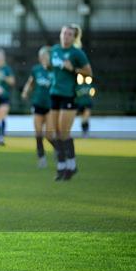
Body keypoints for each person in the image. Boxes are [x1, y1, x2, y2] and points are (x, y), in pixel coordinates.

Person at [49, 24, 92, 181]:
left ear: (74, 38)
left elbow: (89, 73)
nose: (66, 36)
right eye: (64, 33)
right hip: (54, 94)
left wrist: (73, 69)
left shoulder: (77, 53)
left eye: (69, 34)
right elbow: (51, 68)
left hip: (69, 95)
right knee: (54, 133)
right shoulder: (54, 50)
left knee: (63, 133)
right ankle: (62, 166)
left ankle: (70, 166)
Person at [21, 46, 56, 168]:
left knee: (49, 135)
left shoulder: (55, 71)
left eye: (47, 56)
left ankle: (59, 150)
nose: (44, 58)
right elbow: (30, 82)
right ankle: (41, 158)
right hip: (38, 104)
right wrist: (25, 91)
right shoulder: (36, 70)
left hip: (51, 105)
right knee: (38, 133)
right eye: (42, 56)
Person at [0, 49, 15, 146]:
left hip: (4, 97)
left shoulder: (7, 69)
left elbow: (12, 82)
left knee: (1, 116)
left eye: (1, 57)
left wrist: (4, 77)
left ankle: (0, 138)